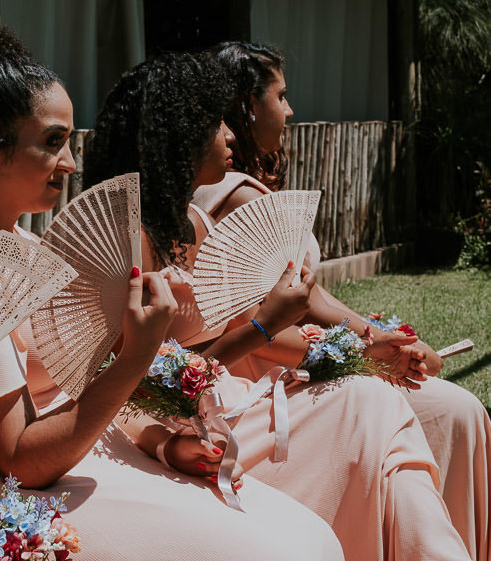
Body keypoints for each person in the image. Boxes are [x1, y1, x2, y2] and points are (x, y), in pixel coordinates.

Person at [0, 15, 346, 560]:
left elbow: (86, 387)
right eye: (53, 143)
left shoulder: (27, 252)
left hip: (93, 448)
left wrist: (162, 442)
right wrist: (137, 355)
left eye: (69, 142)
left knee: (307, 537)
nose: (72, 162)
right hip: (25, 496)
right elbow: (22, 458)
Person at [83, 50, 471, 560]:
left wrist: (359, 349)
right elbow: (132, 385)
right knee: (371, 408)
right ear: (175, 135)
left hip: (231, 395)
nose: (228, 134)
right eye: (214, 122)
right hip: (178, 422)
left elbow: (247, 329)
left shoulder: (193, 226)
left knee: (379, 412)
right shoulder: (124, 241)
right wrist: (268, 324)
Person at [195, 41, 491, 560]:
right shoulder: (236, 196)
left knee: (457, 410)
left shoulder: (238, 189)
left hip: (296, 355)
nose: (289, 111)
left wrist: (382, 338)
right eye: (280, 96)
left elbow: (313, 296)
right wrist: (373, 346)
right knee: (455, 409)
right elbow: (296, 307)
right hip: (273, 369)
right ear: (245, 106)